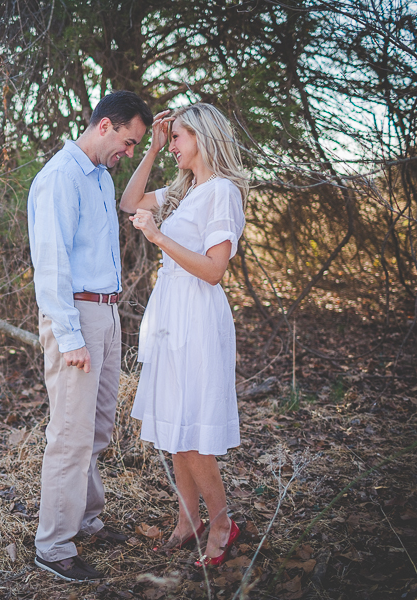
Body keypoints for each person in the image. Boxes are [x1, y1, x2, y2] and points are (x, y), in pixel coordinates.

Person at [28, 90, 153, 581]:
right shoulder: (61, 178)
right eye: (127, 141)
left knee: (98, 427)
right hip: (74, 317)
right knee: (70, 435)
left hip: (106, 313)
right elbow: (52, 266)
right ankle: (54, 547)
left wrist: (154, 146)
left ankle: (86, 518)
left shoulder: (100, 176)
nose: (126, 151)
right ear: (104, 126)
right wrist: (70, 335)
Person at [120, 103, 248, 567]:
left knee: (191, 428)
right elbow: (129, 202)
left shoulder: (222, 192)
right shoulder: (184, 191)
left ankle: (221, 521)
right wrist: (151, 149)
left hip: (198, 312)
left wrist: (158, 239)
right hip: (169, 311)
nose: (173, 145)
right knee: (175, 426)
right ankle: (187, 518)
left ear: (204, 137)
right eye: (169, 138)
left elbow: (214, 271)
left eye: (177, 137)